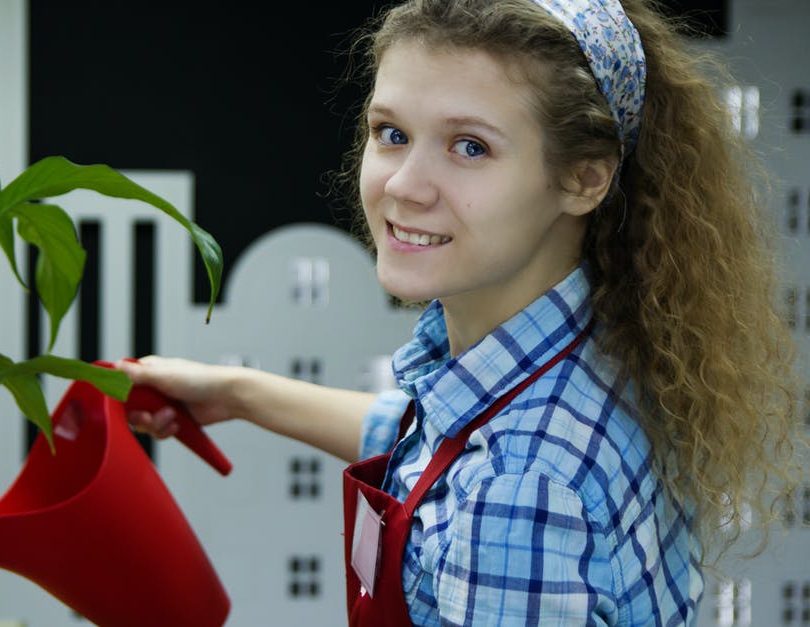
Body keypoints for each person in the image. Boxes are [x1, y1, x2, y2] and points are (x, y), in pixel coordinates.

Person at [117, 0, 802, 624]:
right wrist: (236, 394)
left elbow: (487, 473)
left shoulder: (518, 488)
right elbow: (429, 442)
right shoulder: (583, 342)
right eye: (391, 133)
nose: (405, 186)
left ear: (584, 177)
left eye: (469, 146)